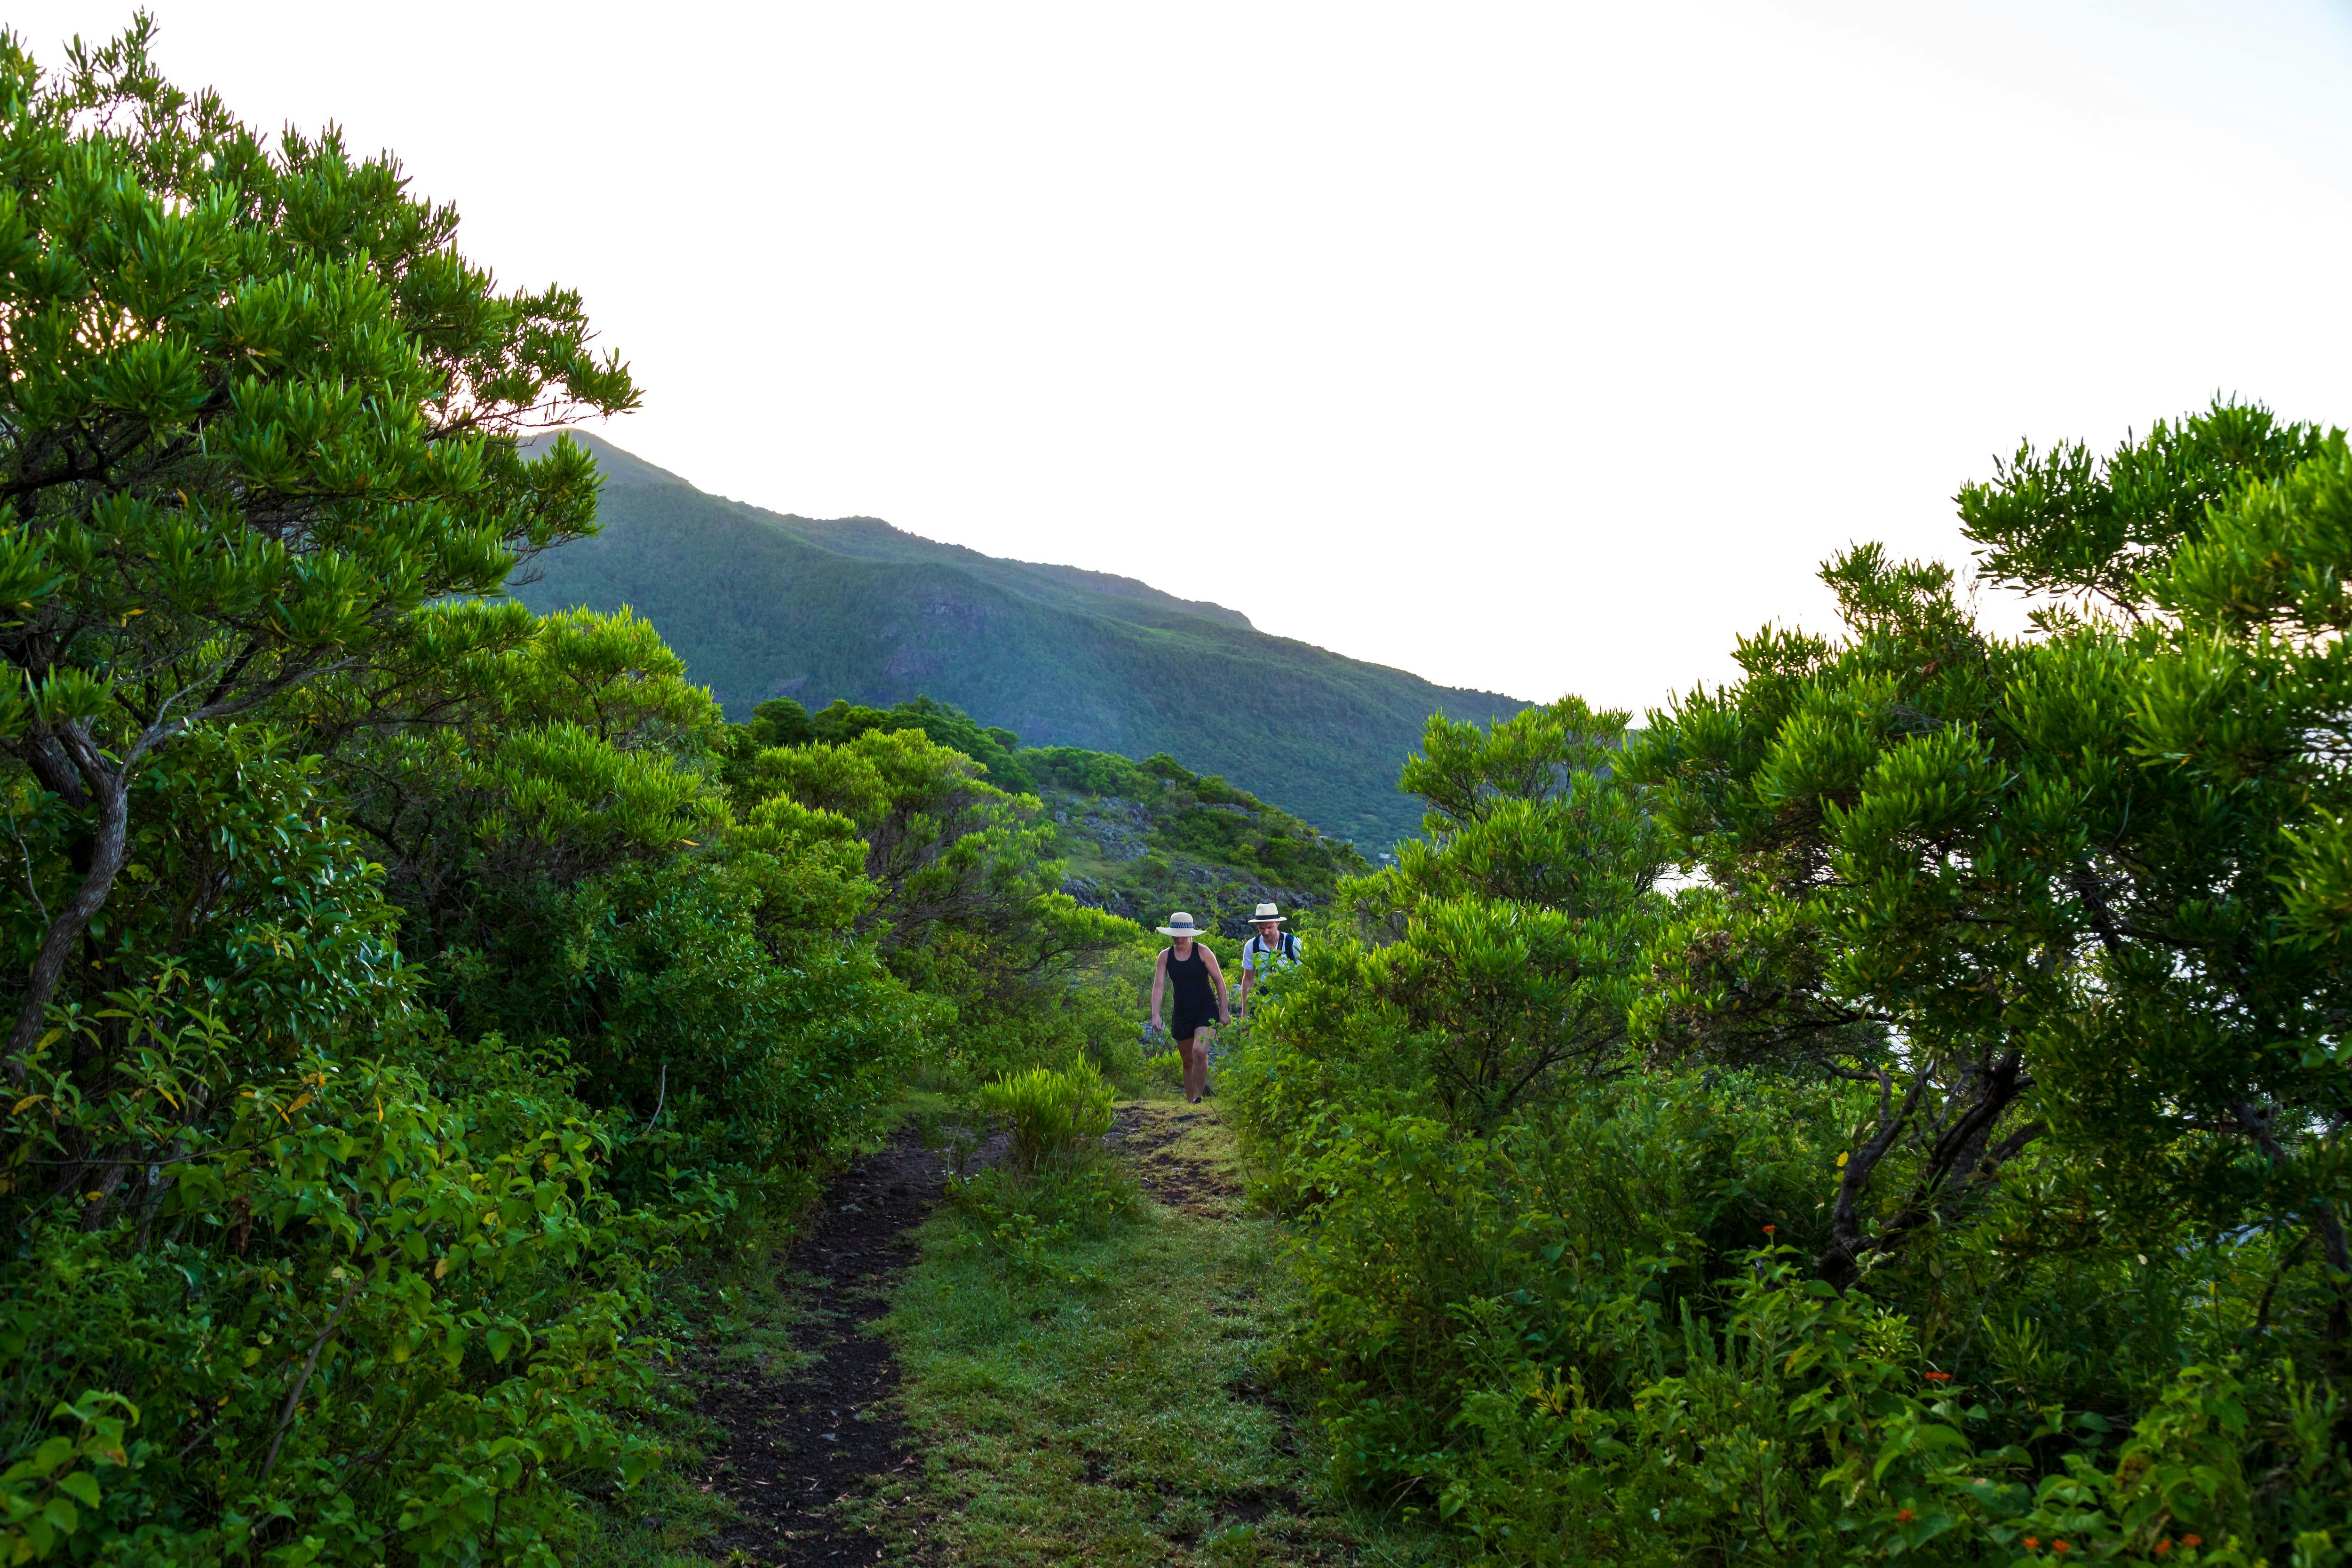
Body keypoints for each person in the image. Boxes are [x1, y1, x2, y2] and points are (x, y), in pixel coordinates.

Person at [1148, 911, 1229, 1104]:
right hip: (1182, 1013)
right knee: (1187, 1061)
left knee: (1200, 1051)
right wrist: (1155, 1014)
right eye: (1175, 935)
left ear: (1190, 933)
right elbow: (1158, 986)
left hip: (1206, 1009)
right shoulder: (1165, 956)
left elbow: (1220, 982)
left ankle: (1198, 1098)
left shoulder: (1203, 952)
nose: (1178, 939)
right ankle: (1190, 1101)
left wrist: (1224, 1012)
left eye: (1182, 935)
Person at [1236, 901, 1300, 1021]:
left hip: (1290, 1003)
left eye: (1270, 928)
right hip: (1263, 1005)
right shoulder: (1252, 946)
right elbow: (1248, 979)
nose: (1266, 932)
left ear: (1278, 923)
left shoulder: (1293, 943)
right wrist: (1245, 1013)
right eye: (1262, 928)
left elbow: (1304, 974)